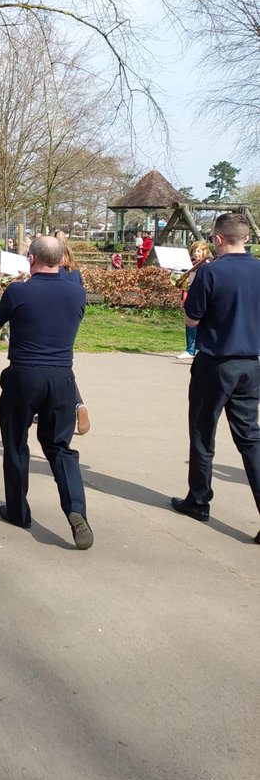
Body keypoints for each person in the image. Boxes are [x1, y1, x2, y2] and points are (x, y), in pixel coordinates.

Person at [0, 234, 93, 550]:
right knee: (60, 447)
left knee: (16, 443)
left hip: (24, 373)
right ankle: (76, 510)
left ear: (30, 259)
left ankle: (19, 511)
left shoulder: (20, 290)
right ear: (62, 260)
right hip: (62, 376)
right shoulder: (77, 292)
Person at [172, 213, 260, 540]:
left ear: (218, 239)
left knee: (203, 431)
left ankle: (199, 500)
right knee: (250, 438)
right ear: (246, 238)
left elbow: (192, 320)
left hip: (214, 361)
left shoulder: (210, 272)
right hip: (251, 363)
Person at [55, 231, 91, 434]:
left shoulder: (53, 269)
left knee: (54, 367)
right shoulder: (74, 270)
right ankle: (78, 405)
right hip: (69, 321)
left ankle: (75, 404)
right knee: (62, 364)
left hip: (51, 320)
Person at [174, 240, 213, 361]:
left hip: (203, 297)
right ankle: (190, 349)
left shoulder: (207, 265)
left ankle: (203, 349)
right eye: (194, 251)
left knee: (204, 324)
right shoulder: (189, 264)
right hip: (190, 294)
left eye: (199, 251)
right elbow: (183, 282)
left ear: (204, 251)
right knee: (190, 322)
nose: (196, 253)